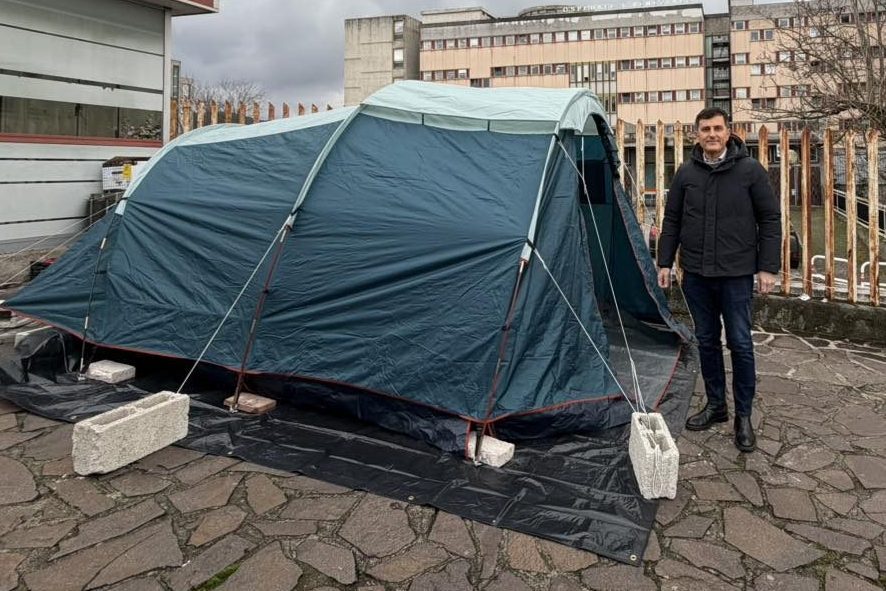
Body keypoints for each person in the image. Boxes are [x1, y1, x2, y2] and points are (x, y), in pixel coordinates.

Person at [656, 107, 781, 453]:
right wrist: (664, 262)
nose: (711, 134)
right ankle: (716, 406)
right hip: (696, 274)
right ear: (697, 134)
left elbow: (770, 219)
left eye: (717, 128)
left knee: (740, 343)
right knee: (706, 341)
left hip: (736, 275)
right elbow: (673, 220)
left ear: (728, 132)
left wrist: (767, 267)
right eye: (705, 129)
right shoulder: (685, 174)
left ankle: (743, 416)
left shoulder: (750, 171)